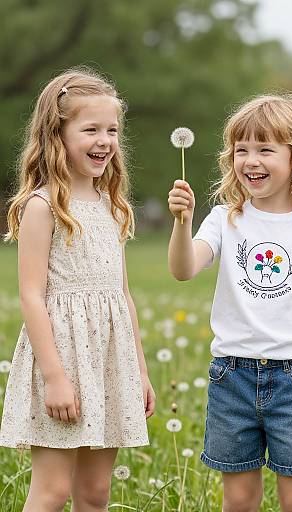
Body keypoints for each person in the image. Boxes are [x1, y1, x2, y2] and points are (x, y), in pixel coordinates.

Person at [168, 94, 292, 512]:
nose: (251, 160)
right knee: (238, 497)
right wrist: (183, 222)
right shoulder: (223, 219)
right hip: (230, 376)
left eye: (266, 149)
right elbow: (183, 269)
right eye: (242, 149)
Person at [0, 68, 155, 511]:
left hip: (108, 359)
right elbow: (31, 295)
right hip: (62, 360)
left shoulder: (112, 206)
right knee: (50, 492)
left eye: (112, 130)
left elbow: (122, 296)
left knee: (95, 493)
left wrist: (139, 369)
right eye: (90, 129)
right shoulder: (43, 206)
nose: (105, 140)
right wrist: (54, 378)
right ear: (57, 135)